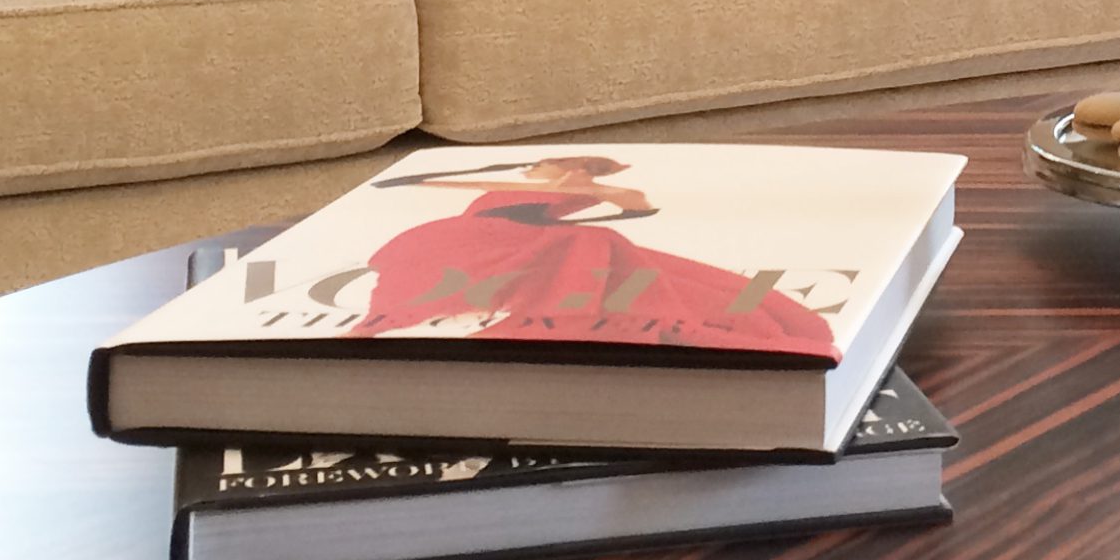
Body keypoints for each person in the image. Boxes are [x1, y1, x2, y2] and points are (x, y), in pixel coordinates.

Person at [352, 155, 836, 354]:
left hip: (537, 240)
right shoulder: (507, 182)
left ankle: (585, 316)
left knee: (603, 248)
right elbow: (450, 184)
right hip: (478, 236)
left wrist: (593, 190)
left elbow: (636, 207)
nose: (547, 170)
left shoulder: (596, 190)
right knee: (594, 246)